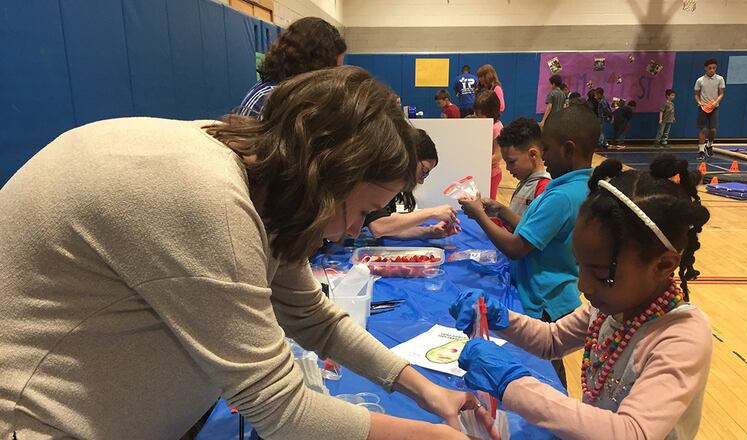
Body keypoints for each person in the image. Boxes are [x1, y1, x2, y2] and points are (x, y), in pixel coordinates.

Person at [0, 67, 495, 440]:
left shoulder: (258, 176)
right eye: (359, 209)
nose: (349, 232)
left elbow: (314, 317)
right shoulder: (201, 198)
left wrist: (431, 393)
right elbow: (282, 412)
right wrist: (437, 436)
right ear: (324, 175)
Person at [450, 154, 713, 440]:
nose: (584, 285)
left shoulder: (682, 336)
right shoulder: (609, 309)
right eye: (580, 266)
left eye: (601, 274)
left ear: (663, 265)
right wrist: (501, 317)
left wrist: (512, 384)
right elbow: (552, 340)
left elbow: (632, 432)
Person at [457, 105, 598, 388]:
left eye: (547, 148)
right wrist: (500, 210)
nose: (543, 155)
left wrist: (481, 215)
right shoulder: (574, 187)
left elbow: (517, 247)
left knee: (546, 370)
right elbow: (533, 229)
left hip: (544, 298)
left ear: (568, 150)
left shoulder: (560, 196)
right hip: (549, 292)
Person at [236, 17, 346, 119]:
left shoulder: (304, 97)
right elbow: (243, 137)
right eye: (332, 70)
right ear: (315, 64)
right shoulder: (266, 99)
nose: (333, 79)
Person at [365, 129, 461, 239]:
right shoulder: (376, 178)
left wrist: (430, 232)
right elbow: (379, 227)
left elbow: (390, 229)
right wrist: (431, 213)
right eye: (424, 172)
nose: (421, 181)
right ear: (408, 157)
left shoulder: (390, 184)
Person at [479, 118, 551, 228]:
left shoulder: (543, 188)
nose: (507, 168)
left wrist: (482, 216)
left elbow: (530, 230)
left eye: (511, 162)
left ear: (533, 155)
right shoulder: (525, 182)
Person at [474, 90, 504, 200]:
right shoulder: (480, 125)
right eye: (477, 113)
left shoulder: (496, 127)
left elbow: (498, 155)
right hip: (481, 172)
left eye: (482, 114)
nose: (478, 116)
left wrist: (478, 161)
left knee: (488, 205)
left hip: (492, 174)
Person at [695, 58, 726, 160]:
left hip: (714, 108)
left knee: (713, 129)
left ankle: (709, 145)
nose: (712, 70)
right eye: (710, 68)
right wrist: (700, 103)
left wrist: (715, 103)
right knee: (703, 129)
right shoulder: (700, 80)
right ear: (705, 68)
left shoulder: (720, 79)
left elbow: (721, 94)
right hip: (703, 108)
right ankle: (700, 151)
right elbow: (696, 94)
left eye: (714, 68)